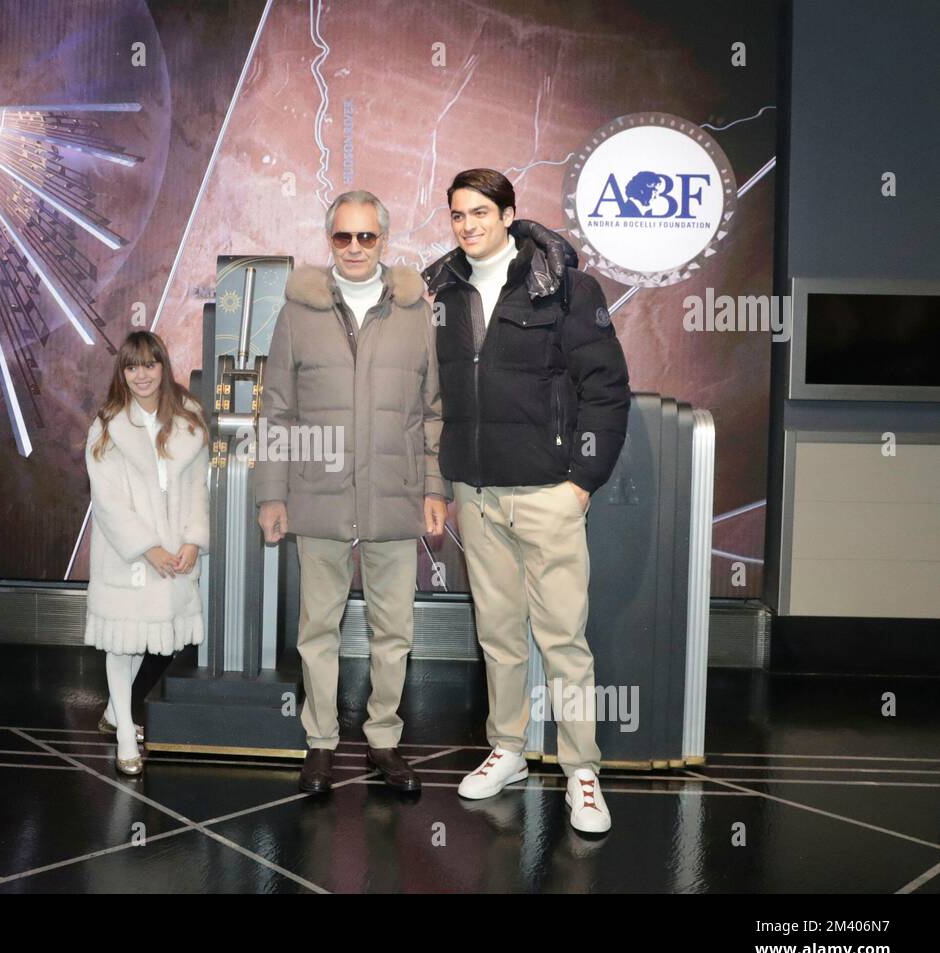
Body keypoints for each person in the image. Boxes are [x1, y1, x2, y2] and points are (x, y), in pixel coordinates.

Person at [424, 169, 631, 834]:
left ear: (509, 213)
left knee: (563, 638)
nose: (468, 224)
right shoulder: (442, 291)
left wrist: (581, 482)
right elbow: (436, 398)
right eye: (458, 214)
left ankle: (582, 771)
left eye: (480, 211)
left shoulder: (566, 285)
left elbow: (606, 386)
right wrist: (444, 481)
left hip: (548, 493)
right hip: (476, 494)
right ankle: (508, 748)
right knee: (500, 635)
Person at [254, 190, 448, 795]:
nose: (356, 248)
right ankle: (319, 743)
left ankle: (385, 741)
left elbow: (431, 410)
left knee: (395, 631)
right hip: (318, 498)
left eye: (367, 237)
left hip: (396, 495)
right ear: (329, 241)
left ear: (384, 241)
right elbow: (277, 412)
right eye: (344, 237)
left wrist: (434, 487)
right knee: (319, 629)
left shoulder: (416, 312)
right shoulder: (298, 313)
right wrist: (271, 494)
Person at [84, 331, 209, 776]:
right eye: (132, 366)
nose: (141, 375)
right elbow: (108, 503)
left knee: (150, 642)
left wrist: (193, 539)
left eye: (150, 364)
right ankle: (123, 736)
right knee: (122, 643)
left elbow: (198, 486)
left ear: (163, 367)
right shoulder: (107, 424)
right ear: (122, 372)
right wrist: (146, 548)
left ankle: (117, 713)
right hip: (126, 558)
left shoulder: (189, 417)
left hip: (174, 555)